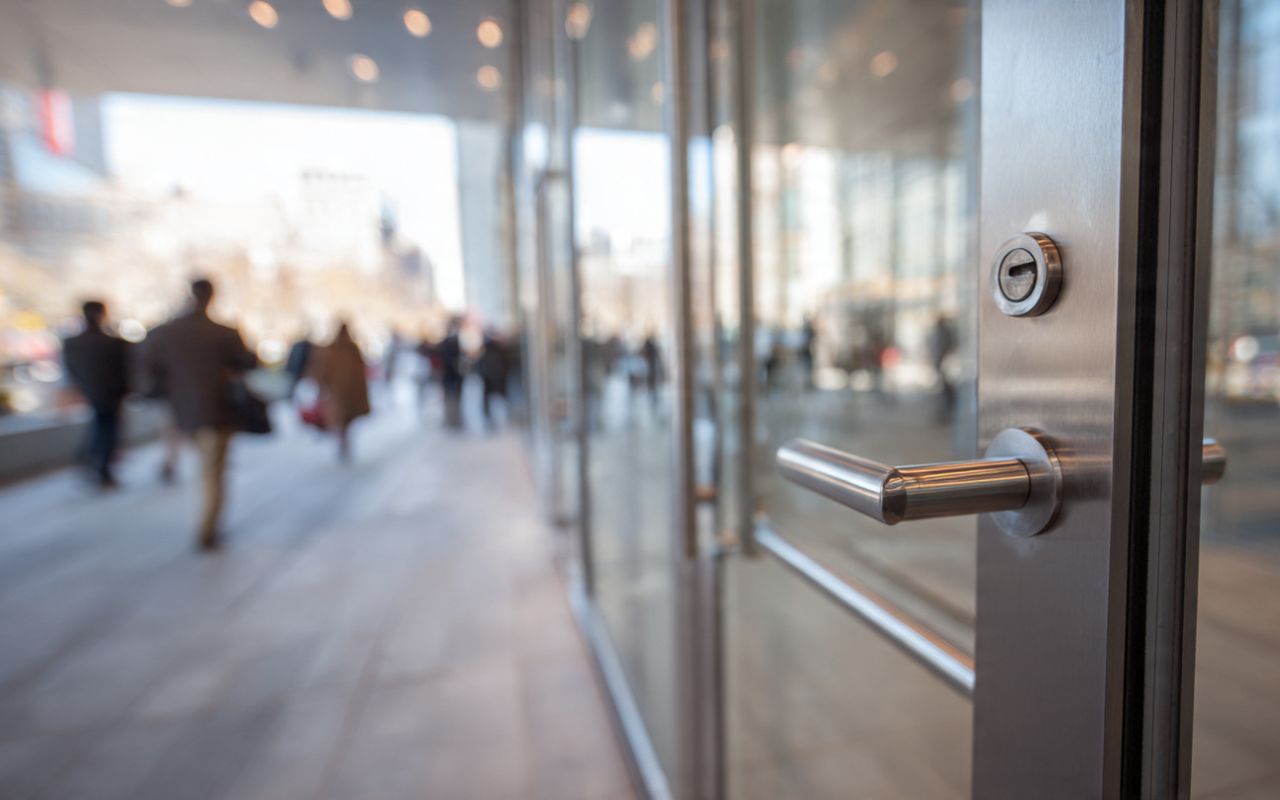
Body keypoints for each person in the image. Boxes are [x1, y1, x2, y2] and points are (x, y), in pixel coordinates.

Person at [144, 279, 256, 551]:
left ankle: (207, 523)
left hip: (180, 412)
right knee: (212, 471)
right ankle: (208, 528)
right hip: (215, 412)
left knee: (207, 467)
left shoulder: (165, 333)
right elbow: (249, 362)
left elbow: (148, 371)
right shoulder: (224, 333)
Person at [62, 300, 130, 488]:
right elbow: (125, 369)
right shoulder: (114, 343)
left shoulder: (73, 343)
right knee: (107, 429)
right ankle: (100, 468)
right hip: (110, 395)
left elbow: (71, 371)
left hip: (94, 393)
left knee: (101, 427)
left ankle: (90, 461)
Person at [308, 322, 371, 461]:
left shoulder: (344, 349)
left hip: (339, 391)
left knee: (342, 418)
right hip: (343, 391)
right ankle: (344, 441)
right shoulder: (347, 349)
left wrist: (322, 385)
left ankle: (343, 441)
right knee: (343, 419)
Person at [475, 328, 510, 427]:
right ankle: (499, 421)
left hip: (495, 380)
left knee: (497, 401)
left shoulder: (498, 349)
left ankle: (499, 421)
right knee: (497, 401)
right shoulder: (493, 349)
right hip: (494, 380)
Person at [437, 317, 465, 428]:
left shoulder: (456, 341)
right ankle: (452, 420)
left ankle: (454, 420)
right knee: (450, 398)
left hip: (454, 376)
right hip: (450, 376)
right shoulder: (450, 342)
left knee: (455, 399)